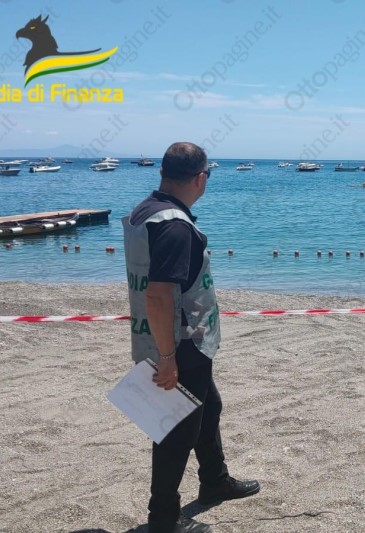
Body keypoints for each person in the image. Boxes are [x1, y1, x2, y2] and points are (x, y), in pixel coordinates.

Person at [123, 142, 260, 533]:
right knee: (177, 429)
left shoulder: (146, 210)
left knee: (208, 407)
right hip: (181, 343)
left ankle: (215, 479)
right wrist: (168, 358)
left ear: (163, 172)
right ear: (200, 178)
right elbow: (159, 294)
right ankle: (163, 518)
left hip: (167, 338)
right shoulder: (174, 226)